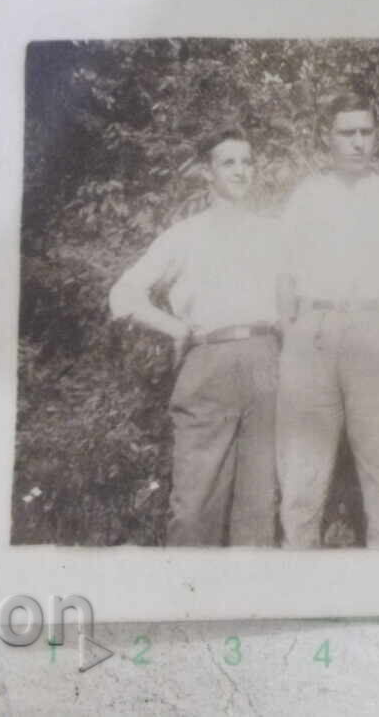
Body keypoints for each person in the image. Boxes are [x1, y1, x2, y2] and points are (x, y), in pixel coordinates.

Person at [108, 126, 280, 547]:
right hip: (209, 362)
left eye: (247, 162)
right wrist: (176, 327)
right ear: (208, 173)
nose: (240, 171)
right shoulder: (185, 235)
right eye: (229, 163)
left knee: (259, 507)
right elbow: (123, 294)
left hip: (268, 363)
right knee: (194, 506)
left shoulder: (274, 232)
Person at [275, 91, 379, 548]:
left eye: (366, 132)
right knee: (301, 473)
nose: (358, 142)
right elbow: (283, 276)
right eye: (348, 133)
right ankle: (298, 583)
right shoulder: (305, 197)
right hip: (314, 333)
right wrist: (293, 339)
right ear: (329, 138)